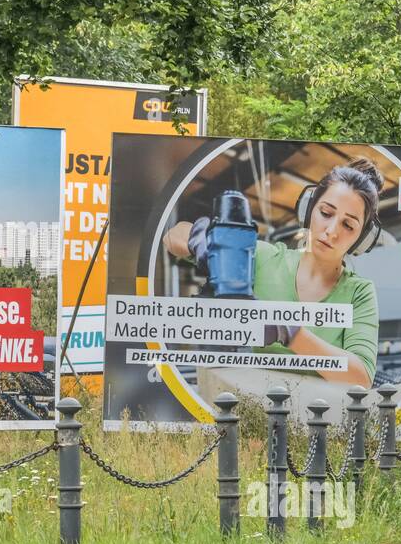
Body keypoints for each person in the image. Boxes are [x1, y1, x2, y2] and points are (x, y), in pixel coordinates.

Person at [163, 157, 383, 386]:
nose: (331, 231)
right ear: (309, 210)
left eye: (348, 225)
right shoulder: (265, 259)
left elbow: (361, 377)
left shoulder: (359, 292)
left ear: (362, 239)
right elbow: (172, 236)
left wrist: (290, 331)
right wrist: (204, 239)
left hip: (322, 418)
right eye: (326, 213)